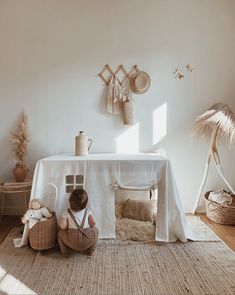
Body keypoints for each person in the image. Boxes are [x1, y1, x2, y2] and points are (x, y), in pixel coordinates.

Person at [58, 188, 98, 257]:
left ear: (70, 201)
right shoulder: (87, 211)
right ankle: (92, 250)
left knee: (59, 234)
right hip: (87, 239)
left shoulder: (66, 213)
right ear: (85, 203)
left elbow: (63, 227)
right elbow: (93, 224)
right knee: (96, 231)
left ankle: (65, 252)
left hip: (72, 240)